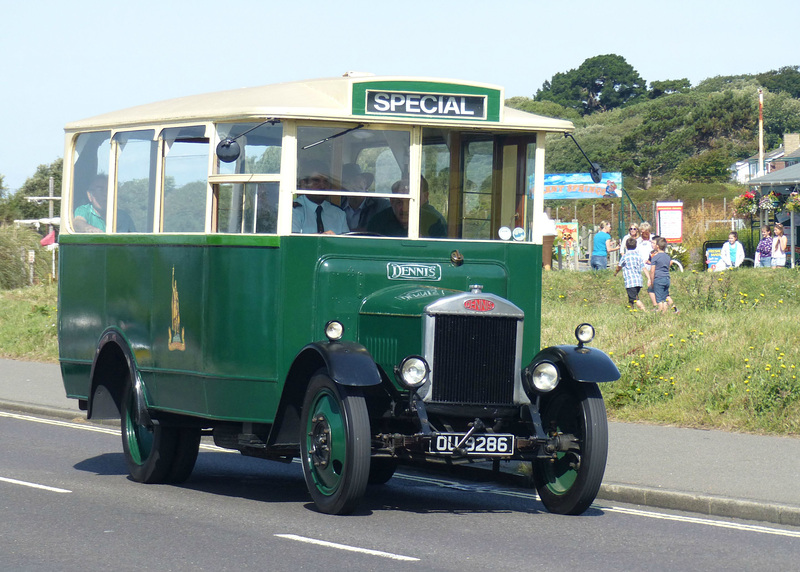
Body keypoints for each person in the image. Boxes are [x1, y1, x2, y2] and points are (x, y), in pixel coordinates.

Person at [367, 178, 446, 237]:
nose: (404, 209)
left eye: (410, 202)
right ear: (391, 201)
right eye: (399, 202)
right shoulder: (378, 222)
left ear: (423, 199)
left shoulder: (434, 222)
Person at [292, 161, 349, 235]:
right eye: (316, 180)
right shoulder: (293, 211)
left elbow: (345, 243)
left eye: (326, 181)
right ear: (304, 184)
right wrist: (320, 238)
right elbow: (292, 242)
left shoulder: (338, 213)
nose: (322, 186)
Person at [339, 163, 388, 232]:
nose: (351, 185)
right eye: (346, 182)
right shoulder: (337, 204)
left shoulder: (381, 205)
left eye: (355, 181)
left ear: (365, 183)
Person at [614, 237, 647, 311]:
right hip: (638, 281)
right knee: (632, 297)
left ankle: (644, 311)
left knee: (635, 298)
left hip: (630, 282)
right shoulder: (638, 256)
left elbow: (619, 266)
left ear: (626, 246)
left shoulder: (625, 256)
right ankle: (631, 309)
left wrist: (615, 273)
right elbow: (643, 267)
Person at [649, 237, 673, 313]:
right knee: (664, 298)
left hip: (658, 279)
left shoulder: (655, 257)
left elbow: (652, 271)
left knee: (659, 300)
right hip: (666, 278)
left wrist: (652, 281)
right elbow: (668, 267)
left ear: (658, 246)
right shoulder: (667, 257)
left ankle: (660, 313)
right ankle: (664, 314)